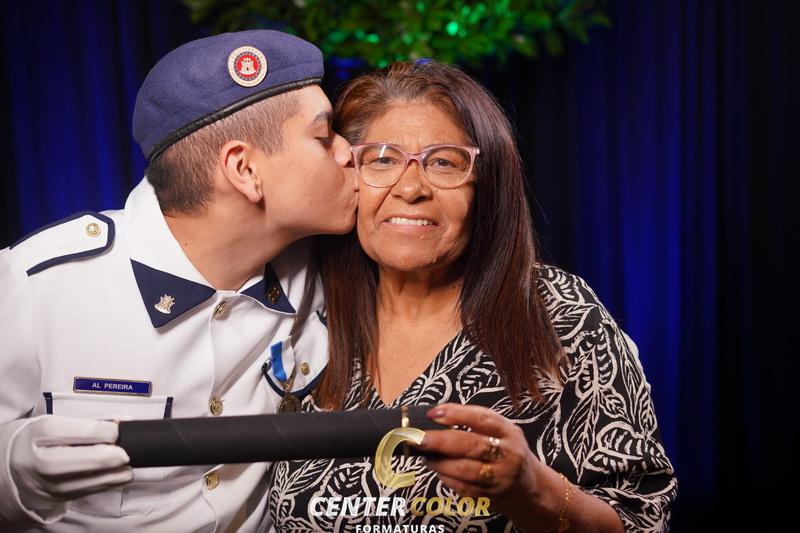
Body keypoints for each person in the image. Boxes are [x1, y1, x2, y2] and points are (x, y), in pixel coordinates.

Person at [267, 61, 677, 532]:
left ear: (487, 185)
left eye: (444, 162)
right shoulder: (304, 313)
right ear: (349, 175)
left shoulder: (559, 315)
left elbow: (642, 520)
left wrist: (532, 491)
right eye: (382, 159)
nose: (411, 188)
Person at [0, 30, 357, 531]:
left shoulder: (324, 272)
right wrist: (12, 472)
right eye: (324, 137)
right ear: (244, 169)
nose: (349, 152)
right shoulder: (38, 284)